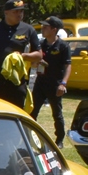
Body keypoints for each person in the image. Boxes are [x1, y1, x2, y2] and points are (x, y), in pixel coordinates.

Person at [30, 17, 73, 148]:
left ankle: (59, 140)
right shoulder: (41, 44)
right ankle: (29, 137)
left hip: (55, 84)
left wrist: (63, 84)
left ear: (54, 29)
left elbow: (68, 66)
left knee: (57, 113)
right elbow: (33, 62)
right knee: (32, 111)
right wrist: (37, 62)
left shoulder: (63, 46)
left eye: (46, 27)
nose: (42, 29)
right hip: (41, 82)